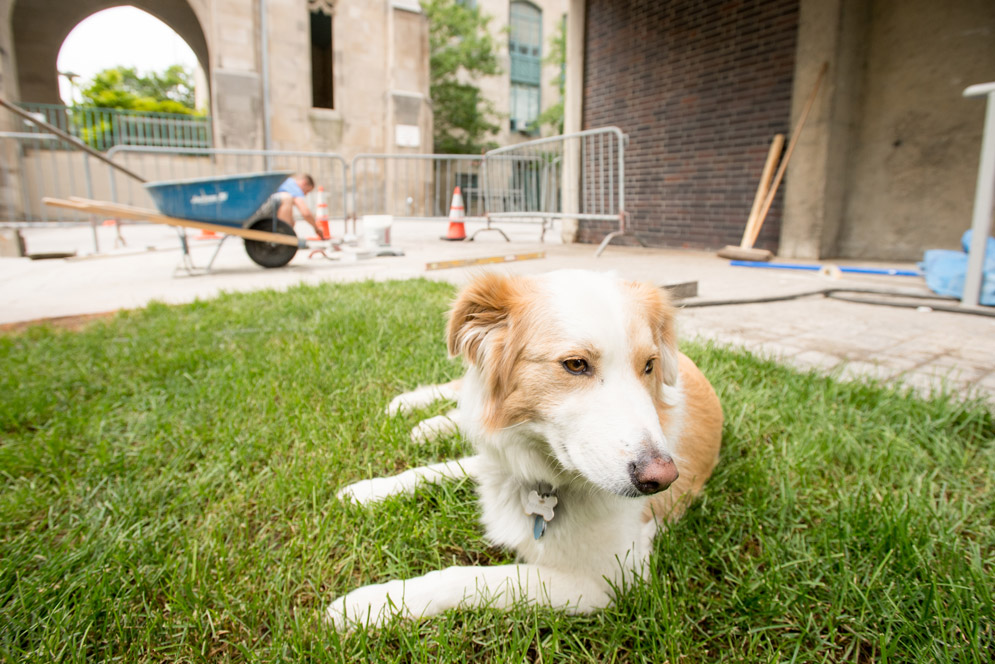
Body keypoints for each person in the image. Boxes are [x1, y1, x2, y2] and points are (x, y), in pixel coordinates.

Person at [268, 173, 326, 239]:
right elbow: (306, 213)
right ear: (304, 183)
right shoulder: (294, 186)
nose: (305, 195)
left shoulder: (287, 182)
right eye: (307, 191)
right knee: (287, 198)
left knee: (292, 222)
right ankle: (284, 237)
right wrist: (317, 228)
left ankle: (284, 236)